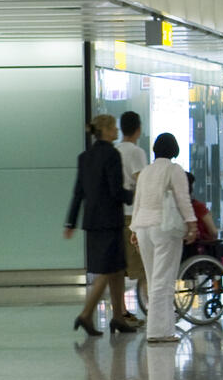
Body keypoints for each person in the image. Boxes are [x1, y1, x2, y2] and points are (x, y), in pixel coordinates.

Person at [65, 115, 136, 335]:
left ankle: (118, 317)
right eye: (113, 128)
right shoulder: (112, 155)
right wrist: (132, 195)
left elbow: (78, 192)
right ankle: (86, 314)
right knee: (107, 270)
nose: (116, 131)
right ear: (105, 131)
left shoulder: (84, 157)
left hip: (92, 221)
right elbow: (116, 190)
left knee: (116, 269)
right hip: (110, 221)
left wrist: (70, 221)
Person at [130, 132, 197, 344]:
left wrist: (133, 229)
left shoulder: (146, 172)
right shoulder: (174, 170)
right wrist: (192, 223)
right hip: (164, 228)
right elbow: (183, 199)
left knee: (153, 279)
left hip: (143, 228)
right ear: (174, 150)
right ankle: (158, 331)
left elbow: (137, 201)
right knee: (164, 280)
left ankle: (164, 329)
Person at [116, 111, 148, 312]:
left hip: (117, 213)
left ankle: (122, 310)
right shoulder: (136, 152)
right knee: (143, 266)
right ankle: (151, 308)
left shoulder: (115, 150)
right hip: (131, 214)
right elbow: (142, 181)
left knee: (119, 268)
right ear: (138, 129)